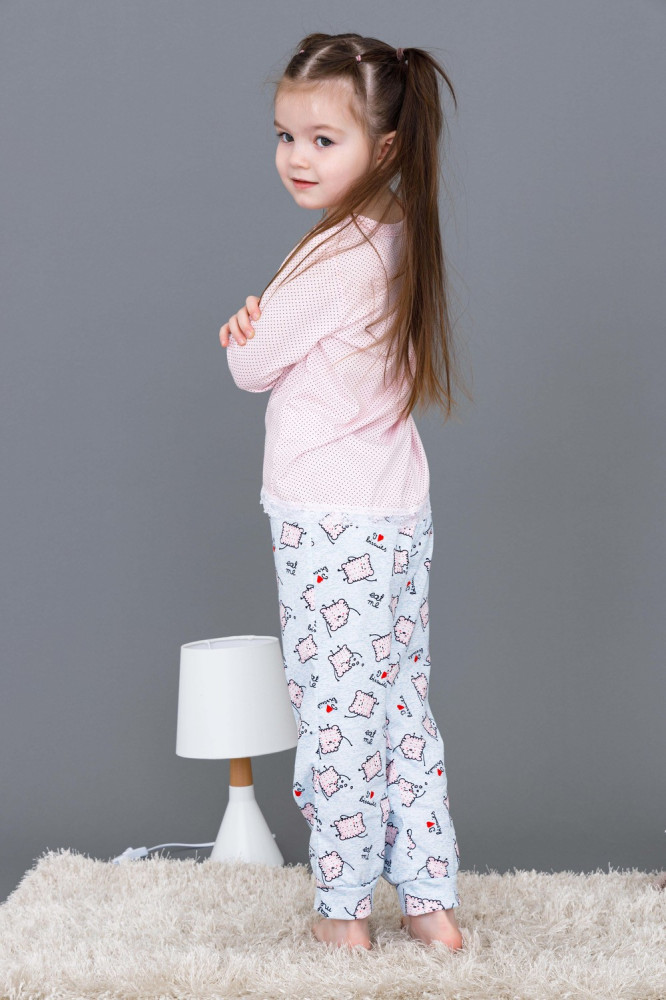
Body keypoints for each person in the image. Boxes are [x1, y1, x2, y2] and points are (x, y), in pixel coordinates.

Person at [220, 32, 472, 952]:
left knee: (335, 715)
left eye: (325, 140)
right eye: (286, 135)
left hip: (330, 522)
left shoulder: (337, 257)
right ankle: (431, 905)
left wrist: (246, 323)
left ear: (385, 145)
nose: (297, 156)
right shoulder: (399, 234)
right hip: (395, 511)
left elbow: (251, 365)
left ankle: (342, 911)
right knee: (398, 705)